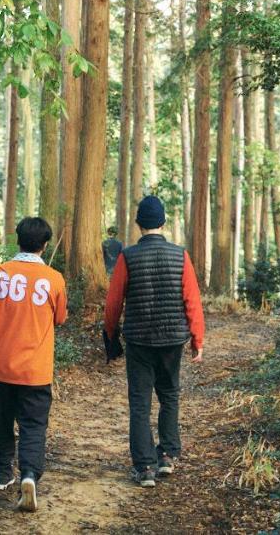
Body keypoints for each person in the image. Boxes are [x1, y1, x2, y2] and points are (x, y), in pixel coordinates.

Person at [103, 195, 205, 488]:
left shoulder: (127, 256)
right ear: (163, 222)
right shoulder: (180, 255)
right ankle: (168, 456)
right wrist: (197, 340)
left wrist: (110, 333)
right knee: (170, 394)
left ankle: (145, 466)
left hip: (139, 339)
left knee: (140, 401)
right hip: (172, 339)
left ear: (138, 224)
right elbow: (192, 301)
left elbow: (113, 302)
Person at [0, 217, 68, 513]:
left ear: (18, 241)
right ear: (45, 245)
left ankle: (2, 474)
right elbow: (60, 318)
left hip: (0, 366)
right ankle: (29, 475)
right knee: (34, 426)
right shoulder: (54, 279)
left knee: (1, 421)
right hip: (36, 370)